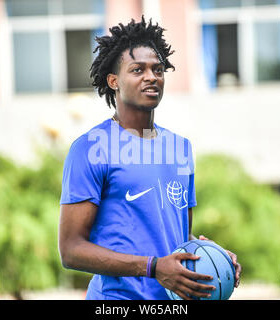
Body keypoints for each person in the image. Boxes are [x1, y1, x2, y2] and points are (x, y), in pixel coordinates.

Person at [58, 16, 241, 300]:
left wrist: (211, 256)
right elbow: (71, 250)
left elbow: (177, 237)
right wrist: (153, 268)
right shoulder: (91, 148)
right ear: (113, 80)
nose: (151, 77)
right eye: (137, 69)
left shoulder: (180, 148)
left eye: (158, 69)